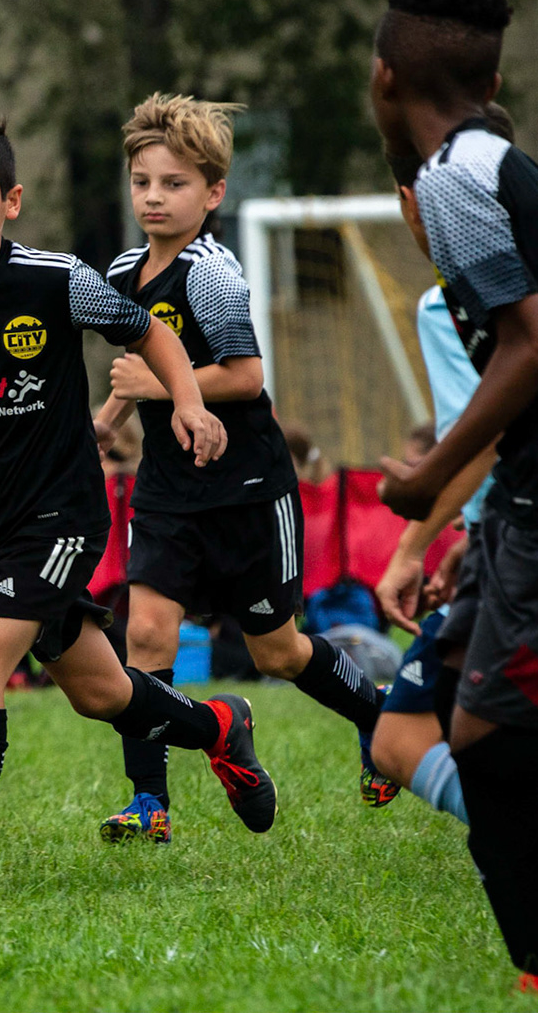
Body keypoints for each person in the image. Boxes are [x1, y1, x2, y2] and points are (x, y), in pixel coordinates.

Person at [0, 116, 272, 901]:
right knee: (101, 694)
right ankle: (220, 727)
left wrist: (187, 404)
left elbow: (153, 337)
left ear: (10, 200)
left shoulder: (55, 279)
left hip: (65, 515)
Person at [91, 94, 391, 847]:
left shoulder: (212, 275)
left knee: (276, 650)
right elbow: (134, 369)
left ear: (215, 193)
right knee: (147, 635)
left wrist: (154, 388)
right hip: (166, 488)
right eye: (142, 182)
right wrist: (106, 420)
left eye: (174, 184)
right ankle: (149, 801)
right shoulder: (125, 271)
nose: (153, 198)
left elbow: (246, 377)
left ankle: (381, 721)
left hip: (247, 489)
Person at [371, 0, 538, 989]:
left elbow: (535, 348)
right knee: (459, 724)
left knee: (490, 737)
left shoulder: (453, 177)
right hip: (523, 503)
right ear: (490, 83)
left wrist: (426, 479)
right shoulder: (496, 167)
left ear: (385, 80)